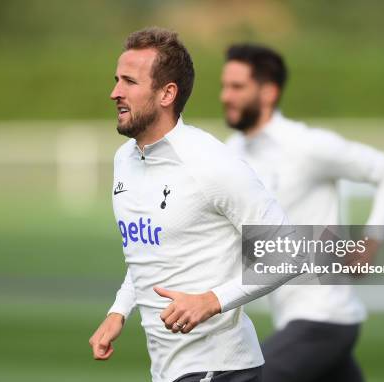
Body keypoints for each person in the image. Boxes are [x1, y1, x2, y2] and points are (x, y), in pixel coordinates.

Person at [89, 28, 299, 382]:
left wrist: (212, 300)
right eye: (116, 80)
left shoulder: (211, 163)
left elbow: (290, 251)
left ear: (167, 93)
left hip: (219, 369)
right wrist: (119, 310)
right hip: (172, 371)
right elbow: (151, 250)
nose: (115, 93)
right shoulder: (124, 160)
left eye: (129, 82)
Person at [220, 43, 384, 382]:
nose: (226, 96)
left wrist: (372, 240)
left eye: (237, 87)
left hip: (323, 319)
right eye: (224, 86)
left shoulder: (306, 146)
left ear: (269, 92)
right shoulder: (230, 154)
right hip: (298, 322)